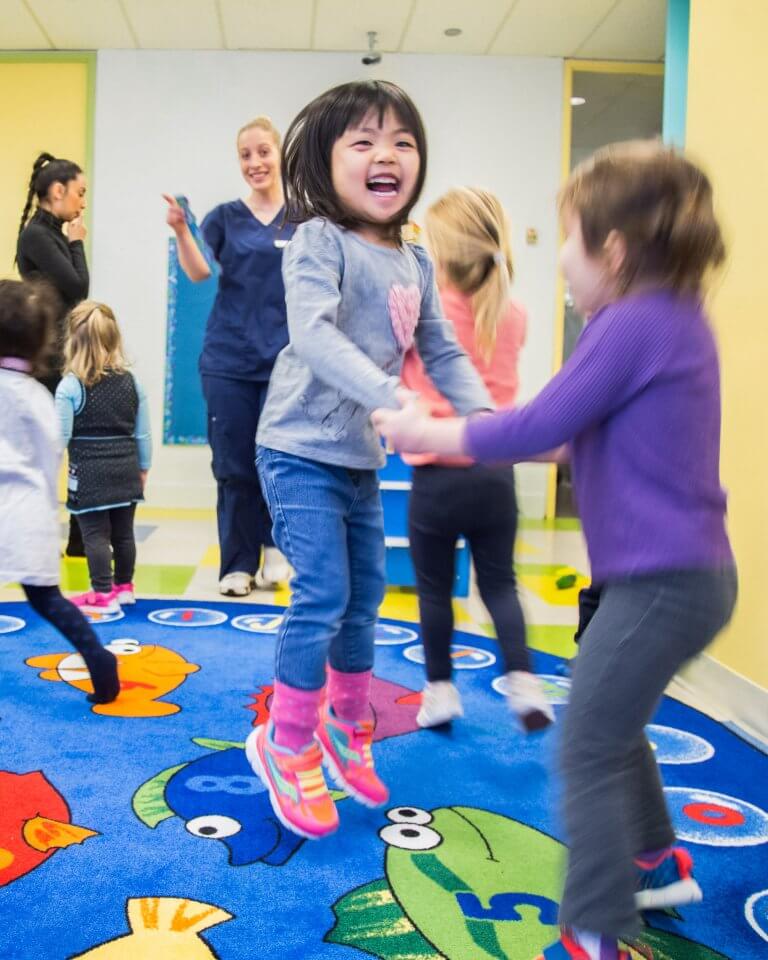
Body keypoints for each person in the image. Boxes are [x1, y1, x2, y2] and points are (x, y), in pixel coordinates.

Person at [373, 141, 737, 960]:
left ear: (612, 251)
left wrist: (428, 430)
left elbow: (540, 425)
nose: (556, 259)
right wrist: (479, 432)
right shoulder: (670, 319)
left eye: (566, 236)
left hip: (662, 583)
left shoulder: (633, 322)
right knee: (618, 720)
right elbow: (568, 443)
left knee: (589, 741)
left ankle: (595, 929)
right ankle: (656, 860)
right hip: (679, 578)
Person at [246, 80, 492, 841]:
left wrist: (483, 418)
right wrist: (391, 397)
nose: (386, 154)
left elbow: (441, 349)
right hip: (295, 448)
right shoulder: (319, 240)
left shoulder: (414, 260)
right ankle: (285, 740)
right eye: (363, 141)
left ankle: (346, 724)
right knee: (320, 590)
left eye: (403, 142)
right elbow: (314, 336)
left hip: (355, 457)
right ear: (325, 161)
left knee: (365, 597)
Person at [400, 187, 553, 732]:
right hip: (495, 474)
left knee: (435, 590)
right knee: (501, 584)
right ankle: (524, 680)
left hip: (437, 476)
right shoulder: (513, 314)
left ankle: (440, 692)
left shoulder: (427, 311)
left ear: (440, 253)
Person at [164, 116, 292, 597]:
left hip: (285, 365)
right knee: (234, 464)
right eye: (245, 155)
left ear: (279, 155)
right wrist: (181, 230)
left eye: (263, 151)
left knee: (278, 461)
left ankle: (274, 548)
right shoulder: (223, 217)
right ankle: (236, 565)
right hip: (229, 360)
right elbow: (199, 272)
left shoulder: (303, 220)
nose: (255, 162)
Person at [0, 279, 119, 705]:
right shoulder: (37, 396)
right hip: (29, 513)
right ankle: (99, 661)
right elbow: (52, 451)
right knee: (48, 600)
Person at [56, 301, 151, 614]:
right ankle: (125, 588)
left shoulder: (71, 386)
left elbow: (61, 437)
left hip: (89, 474)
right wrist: (143, 467)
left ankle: (103, 594)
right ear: (114, 340)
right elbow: (142, 433)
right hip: (126, 469)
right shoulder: (131, 382)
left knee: (95, 535)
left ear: (73, 342)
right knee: (124, 534)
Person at [16, 152, 89, 557]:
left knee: (76, 445)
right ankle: (35, 535)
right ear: (57, 191)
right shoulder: (38, 236)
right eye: (79, 193)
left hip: (66, 356)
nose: (82, 203)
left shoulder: (51, 234)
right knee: (48, 447)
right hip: (47, 360)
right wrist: (78, 244)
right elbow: (77, 288)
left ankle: (80, 538)